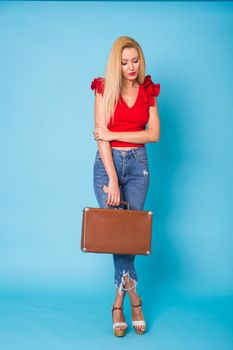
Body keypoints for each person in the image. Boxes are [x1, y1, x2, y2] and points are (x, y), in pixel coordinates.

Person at [90, 36, 160, 337]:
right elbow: (101, 137)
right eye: (124, 62)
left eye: (135, 60)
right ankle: (134, 301)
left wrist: (119, 132)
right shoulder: (103, 88)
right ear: (115, 64)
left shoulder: (148, 91)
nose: (131, 67)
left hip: (138, 167)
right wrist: (113, 179)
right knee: (118, 235)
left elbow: (153, 134)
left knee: (129, 236)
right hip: (108, 167)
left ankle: (118, 301)